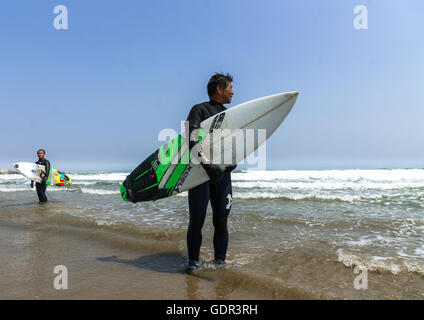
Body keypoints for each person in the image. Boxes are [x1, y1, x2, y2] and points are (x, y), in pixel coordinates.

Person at [186, 73, 237, 269]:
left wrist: (232, 162)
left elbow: (233, 145)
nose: (233, 91)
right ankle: (192, 262)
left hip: (223, 178)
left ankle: (220, 262)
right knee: (197, 221)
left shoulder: (229, 116)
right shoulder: (199, 110)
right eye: (230, 87)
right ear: (219, 89)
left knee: (222, 222)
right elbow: (191, 140)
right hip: (200, 176)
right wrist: (208, 166)